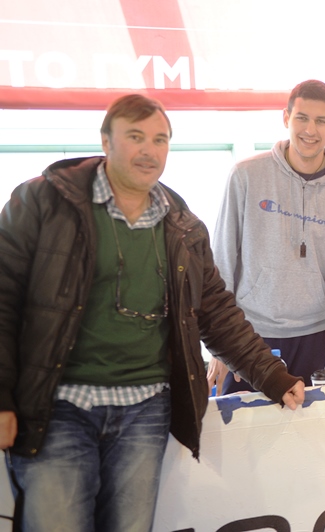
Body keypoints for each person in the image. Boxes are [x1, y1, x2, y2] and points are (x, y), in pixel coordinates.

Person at [0, 94, 305, 532]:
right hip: (57, 408)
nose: (149, 150)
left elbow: (216, 312)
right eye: (135, 137)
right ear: (106, 141)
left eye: (160, 139)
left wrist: (271, 375)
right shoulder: (43, 202)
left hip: (143, 412)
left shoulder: (182, 225)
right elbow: (4, 299)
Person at [208, 80, 325, 391]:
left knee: (313, 423)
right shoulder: (245, 175)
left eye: (321, 121)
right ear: (286, 118)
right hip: (247, 333)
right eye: (302, 118)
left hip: (315, 337)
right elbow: (222, 263)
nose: (310, 130)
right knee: (243, 422)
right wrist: (219, 344)